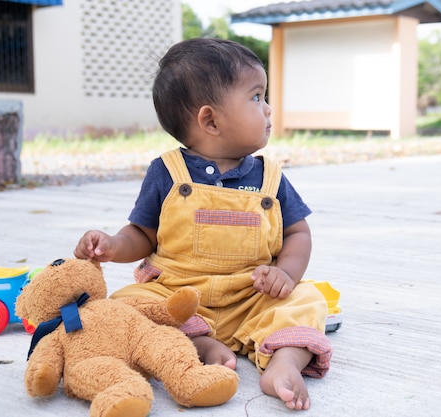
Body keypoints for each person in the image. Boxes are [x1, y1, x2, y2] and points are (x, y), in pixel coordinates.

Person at [74, 38, 332, 411]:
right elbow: (142, 234)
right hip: (177, 297)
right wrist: (114, 245)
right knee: (124, 306)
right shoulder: (166, 172)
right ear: (210, 120)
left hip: (253, 298)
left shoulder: (270, 178)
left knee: (307, 300)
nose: (269, 109)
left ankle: (284, 362)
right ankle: (198, 343)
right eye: (256, 97)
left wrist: (287, 275)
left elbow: (297, 233)